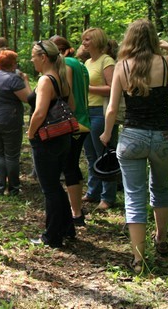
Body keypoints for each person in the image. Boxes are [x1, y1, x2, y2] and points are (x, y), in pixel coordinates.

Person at [100, 20, 168, 274]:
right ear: (153, 39)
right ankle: (161, 240)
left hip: (132, 137)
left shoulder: (121, 67)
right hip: (163, 137)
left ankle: (138, 260)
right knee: (160, 188)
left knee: (134, 196)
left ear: (129, 40)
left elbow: (113, 109)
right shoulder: (167, 62)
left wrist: (107, 134)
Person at [26, 40, 75, 248]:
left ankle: (52, 236)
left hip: (46, 139)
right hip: (62, 137)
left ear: (43, 57)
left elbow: (39, 112)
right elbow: (71, 105)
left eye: (34, 56)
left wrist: (30, 133)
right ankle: (67, 228)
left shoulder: (46, 80)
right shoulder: (62, 77)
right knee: (56, 185)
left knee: (50, 189)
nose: (32, 60)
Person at [51, 35, 91, 226]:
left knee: (69, 167)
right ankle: (76, 209)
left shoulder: (66, 63)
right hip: (83, 120)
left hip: (73, 122)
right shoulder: (81, 65)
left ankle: (75, 213)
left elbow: (65, 92)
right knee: (72, 165)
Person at [0, 50, 31, 195]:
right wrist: (26, 80)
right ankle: (14, 188)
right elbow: (28, 98)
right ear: (12, 64)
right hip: (9, 120)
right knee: (11, 156)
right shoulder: (13, 79)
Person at [81, 27, 118, 210]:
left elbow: (113, 88)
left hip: (101, 113)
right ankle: (92, 192)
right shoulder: (87, 62)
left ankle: (108, 197)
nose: (84, 43)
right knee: (90, 155)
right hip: (87, 112)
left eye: (87, 39)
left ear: (96, 40)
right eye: (84, 39)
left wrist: (88, 88)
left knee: (104, 154)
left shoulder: (107, 61)